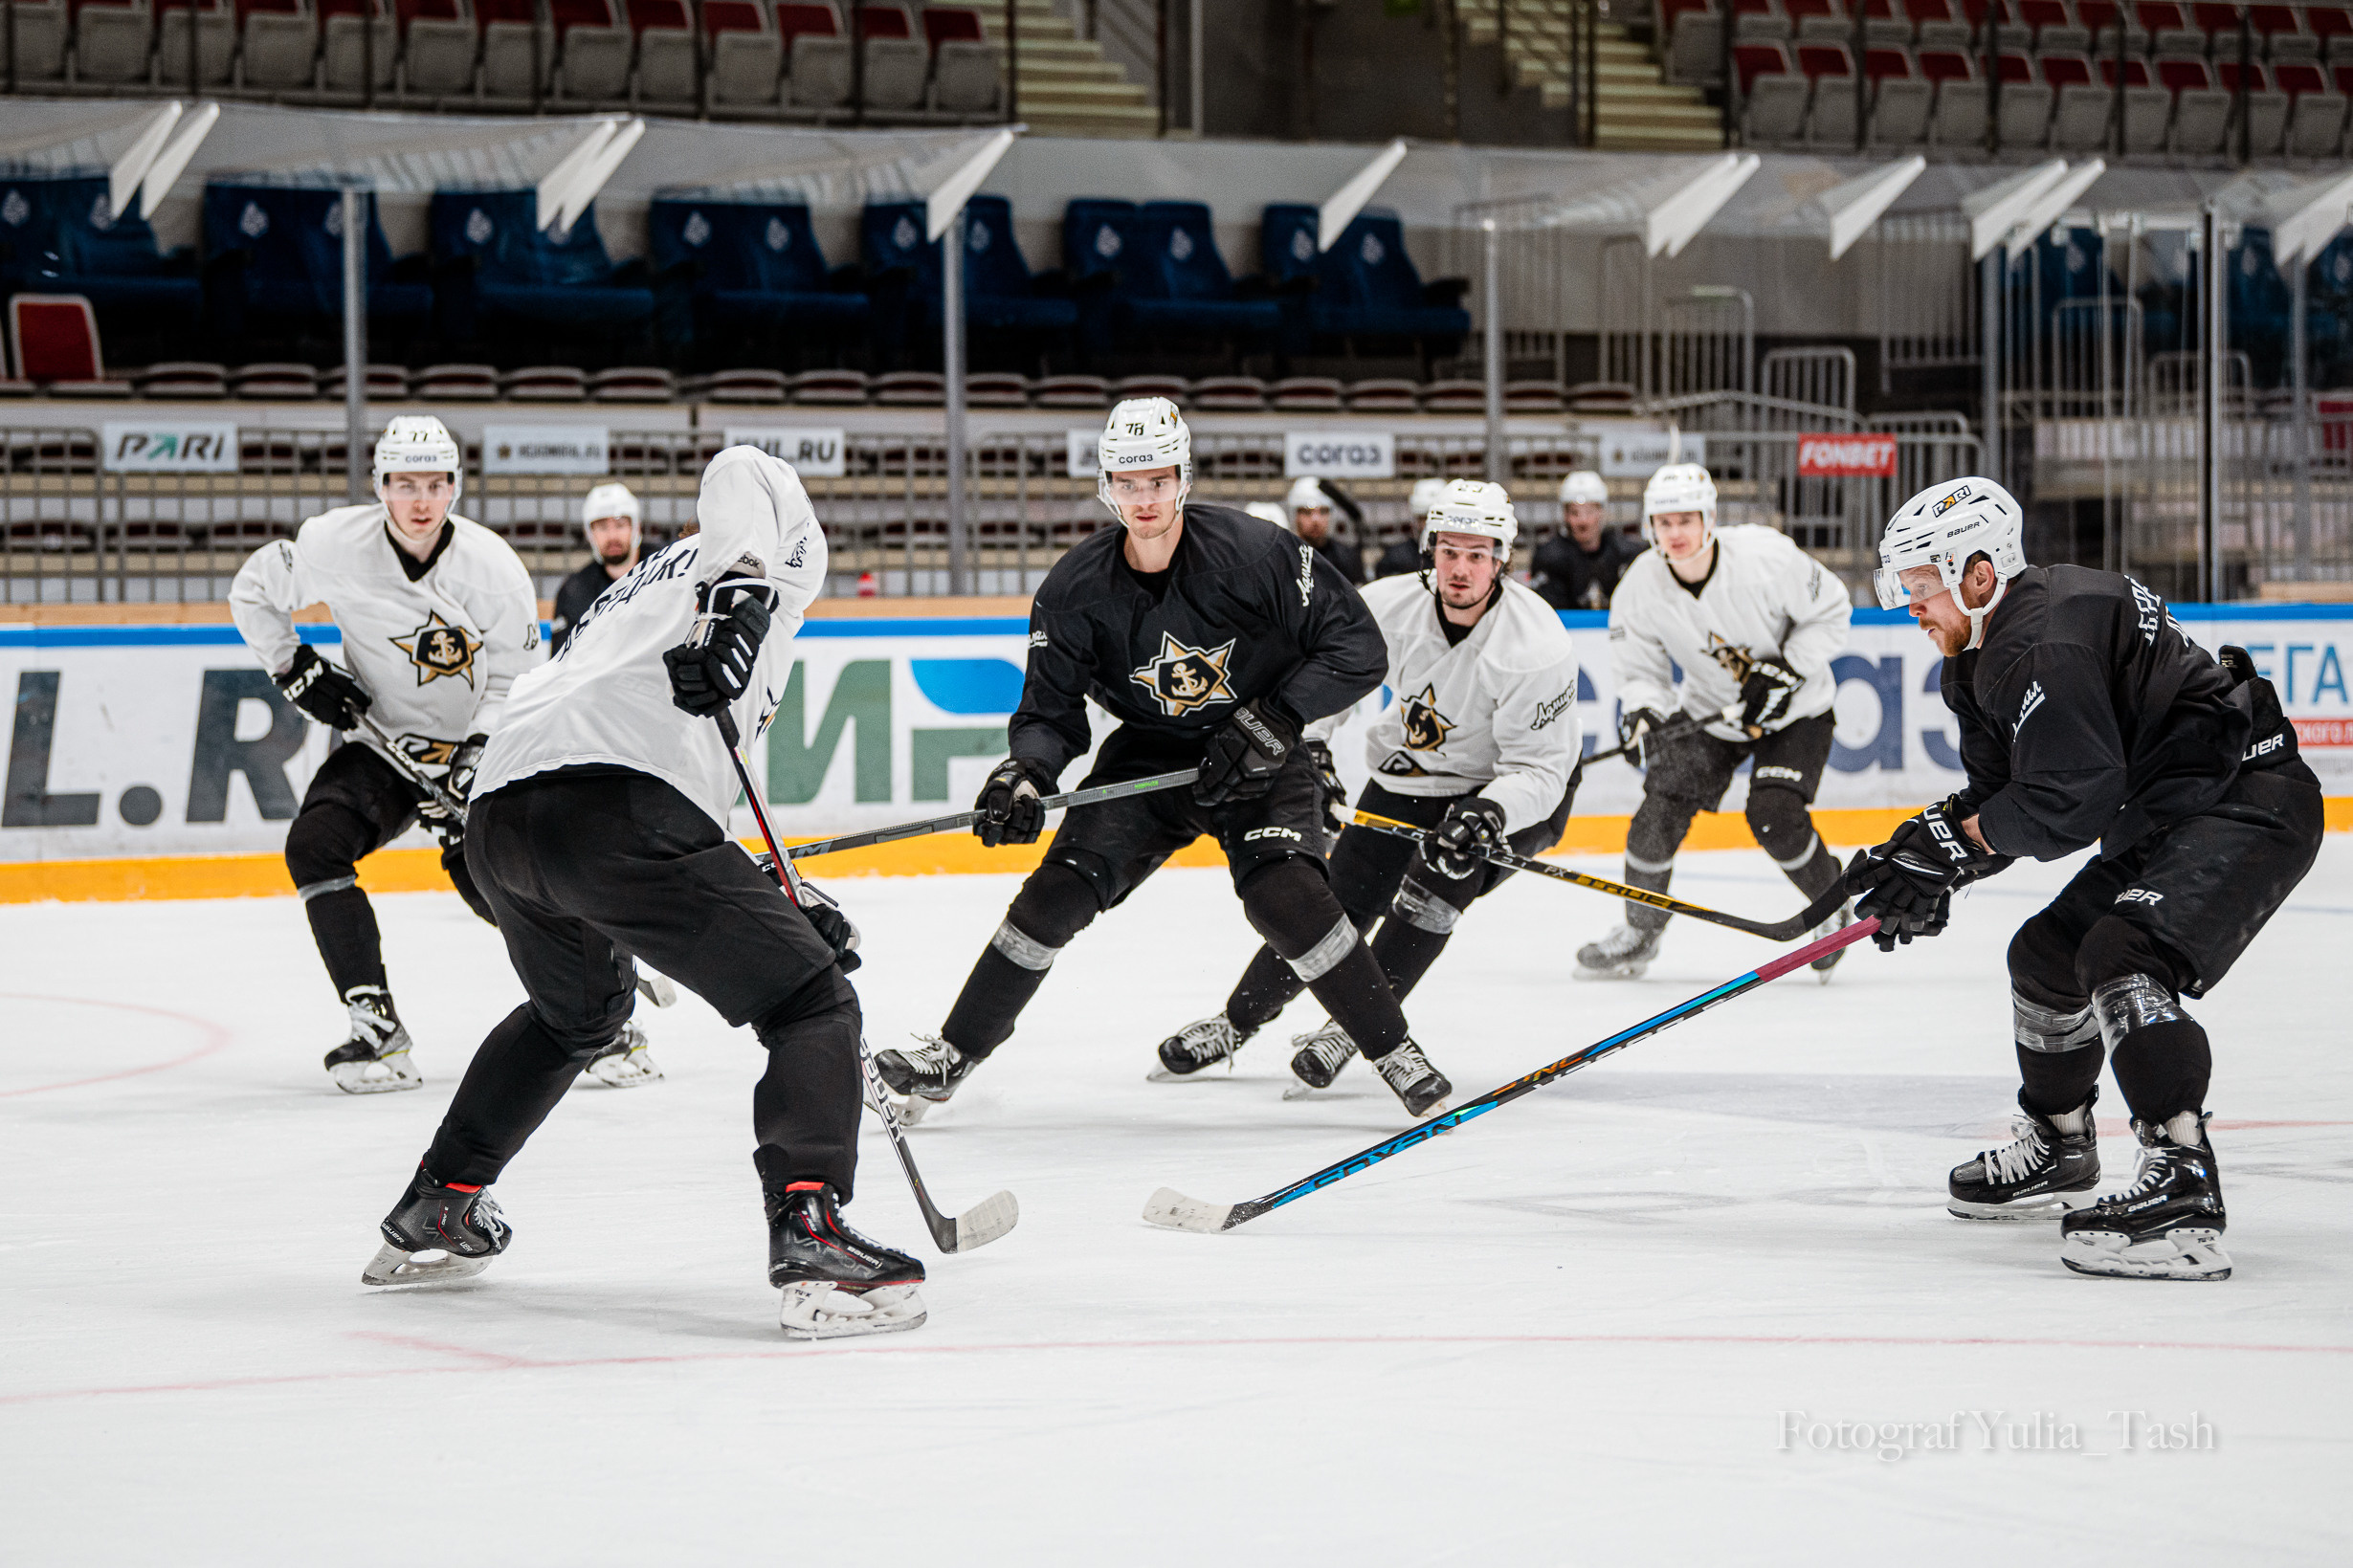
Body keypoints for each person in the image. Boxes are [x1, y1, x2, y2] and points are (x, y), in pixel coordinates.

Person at [362, 446, 927, 1338]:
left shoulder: (627, 603)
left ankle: (441, 1201)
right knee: (812, 1000)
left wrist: (784, 897)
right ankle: (810, 1225)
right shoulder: (755, 567)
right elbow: (744, 465)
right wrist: (740, 601)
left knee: (577, 1014)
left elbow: (684, 782)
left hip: (504, 824)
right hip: (608, 810)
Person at [874, 397, 1458, 1121]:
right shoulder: (1073, 589)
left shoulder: (1257, 552)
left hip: (1260, 753)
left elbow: (1358, 648)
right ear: (1105, 485)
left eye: (1156, 480)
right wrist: (1021, 771)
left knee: (1289, 901)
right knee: (1053, 895)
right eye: (1127, 481)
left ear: (1182, 477)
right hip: (1149, 760)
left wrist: (1276, 718)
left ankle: (1394, 1050)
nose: (1142, 498)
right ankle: (954, 1053)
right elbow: (1048, 715)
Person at [1847, 477, 2321, 1283]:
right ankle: (2061, 1145)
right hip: (2173, 807)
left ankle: (2182, 1186)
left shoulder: (2045, 638)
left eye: (1920, 584)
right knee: (2044, 955)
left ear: (1977, 572)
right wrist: (1923, 853)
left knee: (2120, 951)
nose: (1908, 605)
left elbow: (2071, 799)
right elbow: (2010, 798)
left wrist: (1954, 845)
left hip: (2247, 798)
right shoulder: (1977, 657)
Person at [1151, 480, 1582, 1096]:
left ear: (1502, 560)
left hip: (1512, 793)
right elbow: (1323, 680)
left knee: (1436, 886)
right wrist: (1315, 750)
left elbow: (1541, 772)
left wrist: (1488, 812)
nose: (1461, 569)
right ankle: (1236, 1022)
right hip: (1418, 770)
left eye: (1478, 555)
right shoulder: (1385, 605)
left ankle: (1351, 1030)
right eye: (1449, 552)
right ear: (1430, 550)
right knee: (1333, 904)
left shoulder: (1534, 645)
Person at [230, 416, 560, 1093]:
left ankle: (601, 1010)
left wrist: (480, 748)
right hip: (384, 743)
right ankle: (375, 1025)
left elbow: (519, 675)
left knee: (496, 888)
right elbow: (253, 590)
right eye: (404, 483)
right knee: (315, 845)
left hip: (478, 752)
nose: (420, 500)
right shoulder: (330, 544)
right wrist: (294, 665)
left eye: (435, 484)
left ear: (454, 488)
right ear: (379, 485)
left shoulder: (493, 568)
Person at [1574, 461, 1854, 982]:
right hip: (1713, 713)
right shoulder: (1640, 586)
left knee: (1774, 814)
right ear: (1649, 526)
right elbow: (1640, 671)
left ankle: (1830, 904)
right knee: (1656, 816)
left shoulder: (1766, 556)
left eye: (1686, 520)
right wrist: (1643, 713)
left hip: (1796, 710)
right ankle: (1640, 930)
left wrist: (1787, 668)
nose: (1675, 533)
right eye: (1664, 522)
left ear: (1709, 518)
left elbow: (1833, 609)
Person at [549, 481, 645, 655]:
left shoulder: (666, 569)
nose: (612, 536)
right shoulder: (574, 591)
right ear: (590, 534)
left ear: (635, 527)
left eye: (620, 525)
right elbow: (560, 663)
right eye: (602, 527)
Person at [1530, 471, 1639, 610]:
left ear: (1601, 512)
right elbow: (1548, 614)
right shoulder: (1549, 558)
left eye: (1589, 511)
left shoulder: (1627, 553)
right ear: (1565, 515)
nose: (1583, 521)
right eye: (1575, 513)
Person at [1287, 475, 1366, 585]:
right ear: (1295, 516)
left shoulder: (1347, 558)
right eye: (1306, 512)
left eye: (1323, 512)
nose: (1316, 520)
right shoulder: (1285, 557)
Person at [1374, 477, 1448, 580]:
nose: (1431, 525)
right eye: (1425, 518)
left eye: (1437, 518)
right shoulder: (1396, 558)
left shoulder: (1457, 558)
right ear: (1415, 521)